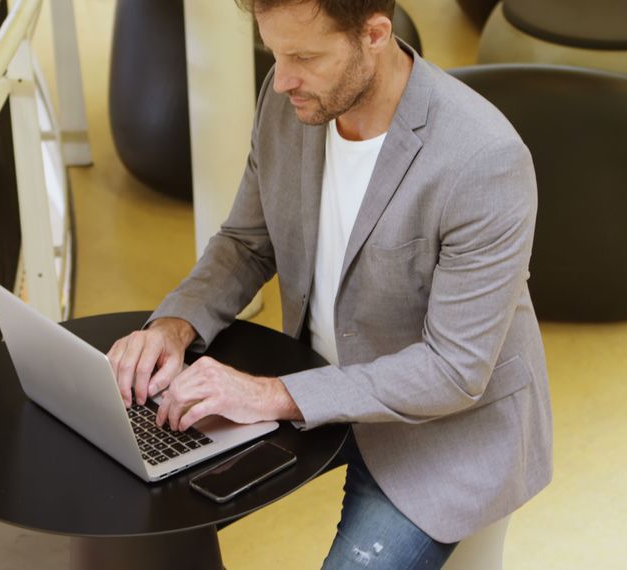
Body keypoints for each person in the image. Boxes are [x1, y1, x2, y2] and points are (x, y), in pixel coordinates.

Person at [106, 0, 553, 566]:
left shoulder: (483, 159)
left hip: (442, 430)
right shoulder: (289, 97)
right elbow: (247, 241)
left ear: (374, 34)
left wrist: (267, 394)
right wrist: (174, 325)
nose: (281, 77)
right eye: (274, 51)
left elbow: (453, 371)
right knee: (141, 506)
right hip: (317, 384)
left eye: (304, 56)